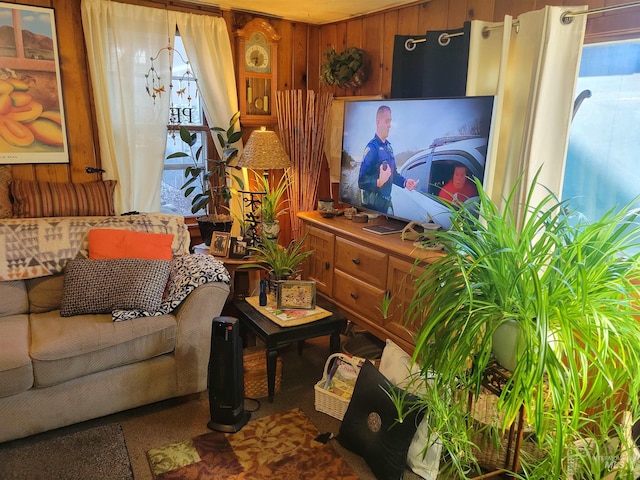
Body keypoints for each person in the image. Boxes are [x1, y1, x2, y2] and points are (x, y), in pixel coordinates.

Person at [358, 105, 417, 214]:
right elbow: (361, 182)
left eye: (390, 121)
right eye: (387, 121)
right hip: (372, 208)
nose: (390, 125)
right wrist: (379, 182)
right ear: (378, 122)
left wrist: (405, 182)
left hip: (386, 204)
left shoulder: (389, 148)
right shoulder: (372, 148)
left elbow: (393, 174)